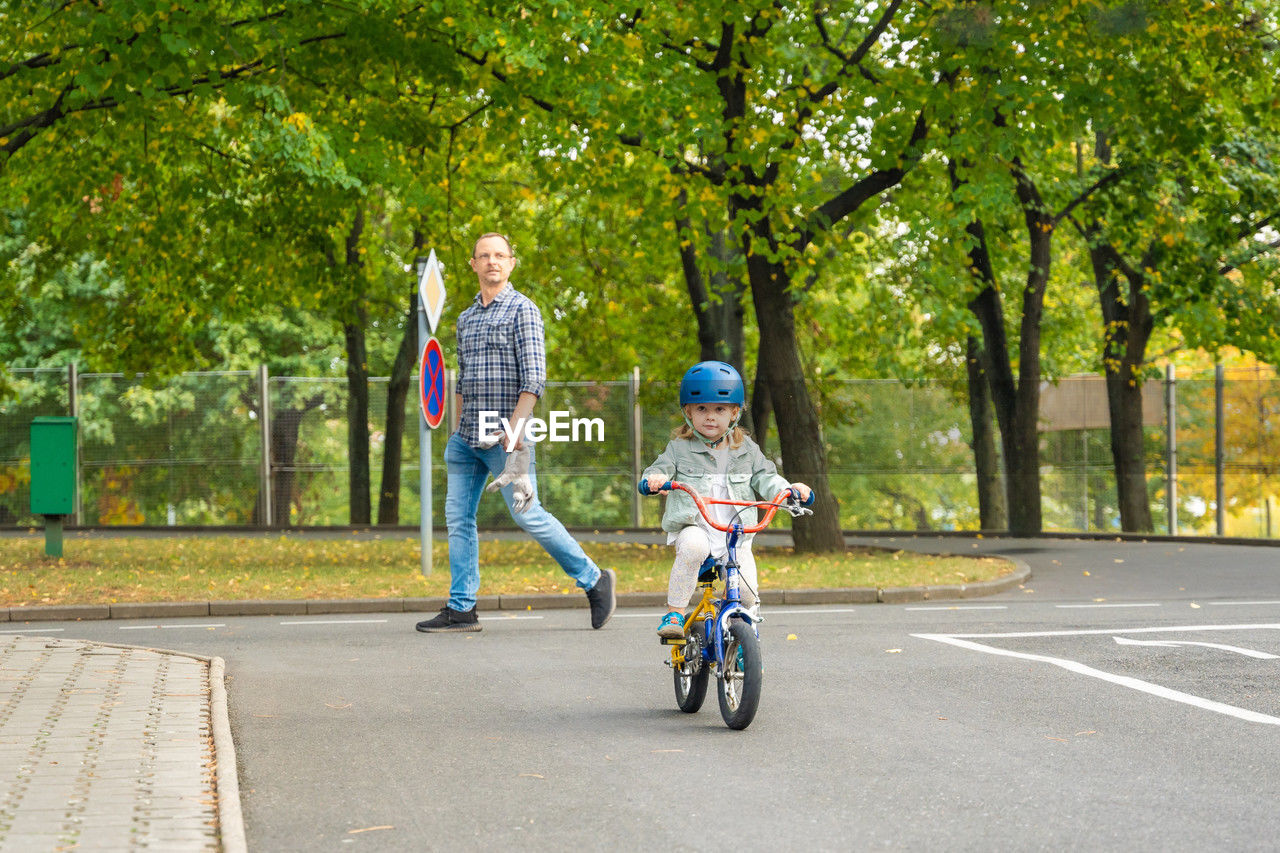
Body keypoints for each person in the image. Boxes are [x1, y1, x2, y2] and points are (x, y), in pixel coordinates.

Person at [416, 232, 616, 633]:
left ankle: (595, 580)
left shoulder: (523, 311)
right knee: (459, 520)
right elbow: (462, 381)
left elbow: (535, 378)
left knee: (528, 515)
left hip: (509, 438)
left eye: (500, 256)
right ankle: (461, 608)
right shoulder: (466, 318)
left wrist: (516, 427)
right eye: (484, 256)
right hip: (466, 440)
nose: (492, 261)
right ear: (473, 264)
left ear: (511, 263)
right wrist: (456, 428)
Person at [640, 361, 812, 639]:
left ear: (734, 412)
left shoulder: (747, 450)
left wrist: (789, 490)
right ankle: (674, 612)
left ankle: (747, 639)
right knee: (694, 547)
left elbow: (766, 477)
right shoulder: (679, 449)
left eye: (719, 409)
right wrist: (655, 480)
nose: (710, 417)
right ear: (688, 412)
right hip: (695, 526)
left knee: (747, 593)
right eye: (702, 409)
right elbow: (658, 469)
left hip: (736, 532)